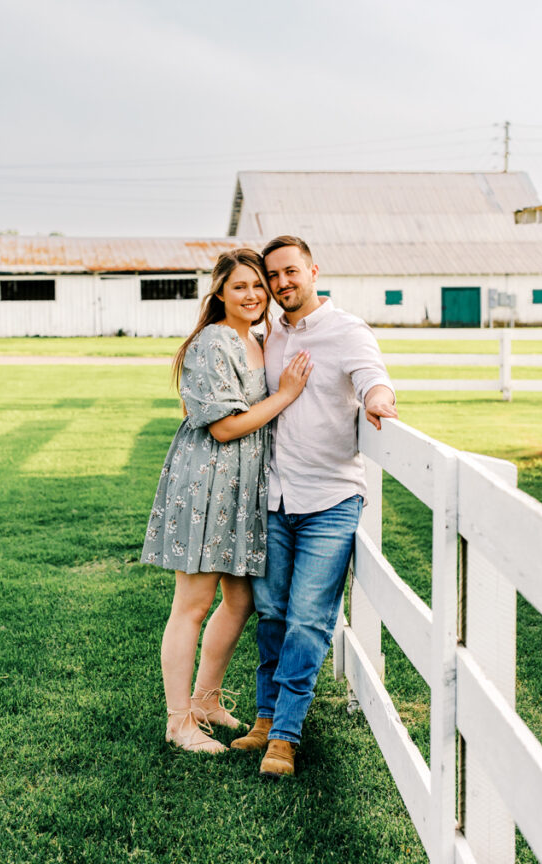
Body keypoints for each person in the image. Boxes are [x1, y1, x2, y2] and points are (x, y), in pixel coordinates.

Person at [231, 235, 397, 777]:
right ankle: (264, 717)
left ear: (313, 270)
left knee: (308, 619)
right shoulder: (271, 332)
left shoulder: (347, 330)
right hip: (275, 498)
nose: (280, 283)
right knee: (273, 614)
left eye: (289, 272)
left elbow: (373, 376)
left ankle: (284, 735)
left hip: (330, 499)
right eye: (272, 275)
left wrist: (377, 398)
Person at [140, 248, 313, 754]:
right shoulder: (214, 342)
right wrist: (285, 395)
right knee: (192, 605)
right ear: (219, 291)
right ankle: (179, 722)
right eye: (240, 286)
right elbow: (222, 427)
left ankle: (206, 701)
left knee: (240, 600)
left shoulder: (258, 339)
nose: (254, 294)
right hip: (207, 484)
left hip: (244, 488)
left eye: (259, 285)